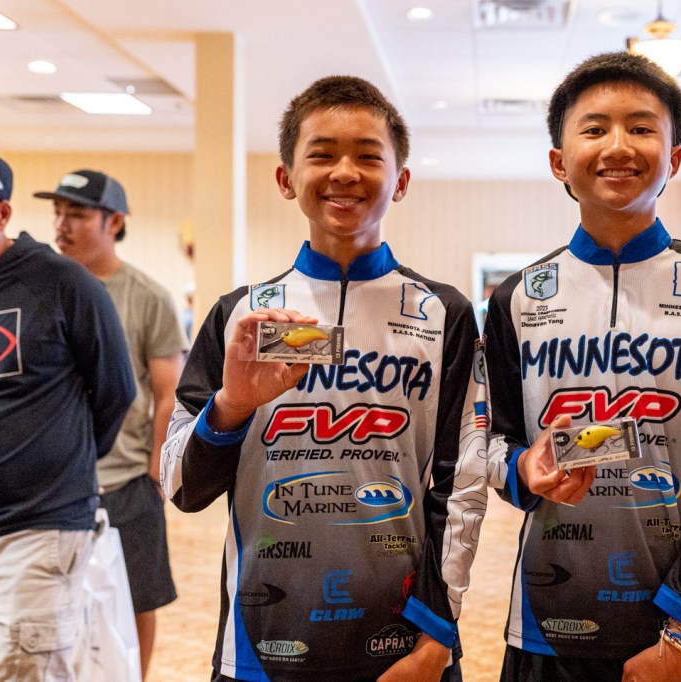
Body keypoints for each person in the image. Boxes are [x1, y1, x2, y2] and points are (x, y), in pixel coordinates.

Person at [160, 76, 486, 681]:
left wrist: (438, 636)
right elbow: (181, 487)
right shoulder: (240, 316)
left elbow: (460, 483)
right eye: (322, 154)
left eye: (368, 156)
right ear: (286, 178)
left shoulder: (446, 314)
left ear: (400, 181)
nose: (344, 173)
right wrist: (231, 407)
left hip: (406, 643)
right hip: (261, 646)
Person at [483, 52, 681, 681]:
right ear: (559, 162)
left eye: (641, 128)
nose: (618, 146)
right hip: (549, 621)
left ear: (674, 158)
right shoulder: (515, 298)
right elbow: (488, 445)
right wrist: (522, 468)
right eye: (594, 129)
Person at [0, 136, 135, 680]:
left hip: (38, 531)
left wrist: (62, 466)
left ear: (1, 213)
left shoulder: (62, 283)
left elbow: (115, 392)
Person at [34, 169, 187, 679]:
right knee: (55, 598)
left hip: (124, 480)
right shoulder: (41, 287)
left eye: (77, 214)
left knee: (137, 596)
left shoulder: (147, 296)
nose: (62, 225)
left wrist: (155, 469)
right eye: (58, 213)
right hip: (52, 483)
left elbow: (168, 392)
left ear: (114, 222)